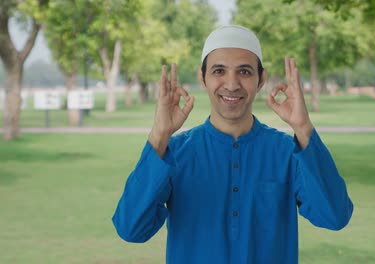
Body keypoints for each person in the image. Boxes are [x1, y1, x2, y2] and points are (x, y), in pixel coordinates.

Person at [112, 25, 353, 264]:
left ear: (261, 80)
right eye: (219, 71)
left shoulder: (287, 151)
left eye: (245, 72)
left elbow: (334, 216)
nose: (232, 84)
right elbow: (131, 229)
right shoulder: (174, 152)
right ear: (202, 78)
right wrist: (159, 135)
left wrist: (303, 127)